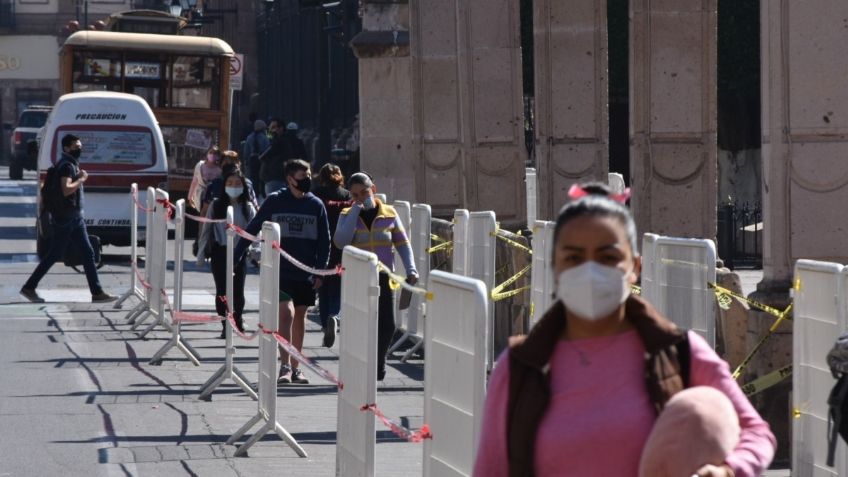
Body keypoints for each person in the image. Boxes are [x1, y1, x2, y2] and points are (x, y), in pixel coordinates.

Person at [472, 184, 776, 477]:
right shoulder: (519, 368)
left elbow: (756, 432)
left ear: (634, 267)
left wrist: (729, 469)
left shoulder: (679, 352)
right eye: (574, 258)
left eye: (607, 257)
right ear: (555, 267)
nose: (590, 271)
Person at [234, 159, 330, 384]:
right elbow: (254, 226)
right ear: (289, 179)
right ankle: (285, 366)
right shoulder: (275, 201)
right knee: (286, 314)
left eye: (308, 176)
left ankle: (297, 368)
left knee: (300, 318)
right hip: (280, 271)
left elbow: (324, 241)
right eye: (302, 176)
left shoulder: (316, 205)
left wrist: (319, 272)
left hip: (305, 272)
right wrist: (237, 254)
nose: (306, 180)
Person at [334, 173, 418, 381]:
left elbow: (402, 243)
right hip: (357, 277)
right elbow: (340, 241)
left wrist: (411, 270)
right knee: (360, 323)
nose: (361, 197)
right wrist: (355, 211)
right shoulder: (346, 214)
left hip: (382, 276)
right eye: (355, 195)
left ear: (373, 188)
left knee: (387, 324)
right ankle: (359, 365)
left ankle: (378, 364)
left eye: (364, 192)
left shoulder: (389, 213)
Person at [20, 134, 116, 303]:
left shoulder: (65, 164)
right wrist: (81, 179)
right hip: (67, 219)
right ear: (66, 148)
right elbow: (66, 189)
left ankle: (97, 292)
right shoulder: (66, 166)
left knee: (86, 253)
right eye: (75, 146)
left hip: (71, 218)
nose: (79, 149)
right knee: (59, 255)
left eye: (79, 146)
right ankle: (29, 287)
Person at [197, 169, 256, 338]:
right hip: (219, 252)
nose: (233, 187)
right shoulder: (216, 205)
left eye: (237, 184)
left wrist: (255, 252)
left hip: (240, 253)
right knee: (222, 290)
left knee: (238, 290)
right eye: (230, 183)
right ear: (224, 186)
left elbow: (254, 232)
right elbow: (207, 230)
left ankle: (237, 320)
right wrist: (201, 253)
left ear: (244, 187)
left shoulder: (248, 207)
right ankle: (225, 324)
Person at [311, 163, 354, 348]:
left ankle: (324, 324)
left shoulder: (316, 194)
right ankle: (334, 316)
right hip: (341, 245)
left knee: (323, 286)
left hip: (320, 243)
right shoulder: (346, 195)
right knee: (337, 285)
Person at [259, 118, 291, 197]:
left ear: (281, 128)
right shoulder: (273, 140)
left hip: (275, 178)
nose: (270, 130)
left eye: (273, 127)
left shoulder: (280, 141)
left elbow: (263, 156)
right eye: (269, 127)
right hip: (272, 178)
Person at [187, 145, 222, 213]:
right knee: (201, 212)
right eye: (211, 152)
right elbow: (194, 181)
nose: (212, 155)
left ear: (218, 156)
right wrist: (190, 196)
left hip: (212, 196)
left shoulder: (219, 169)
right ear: (207, 153)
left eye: (215, 153)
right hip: (201, 195)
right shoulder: (200, 165)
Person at [242, 119, 269, 200]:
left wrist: (246, 159)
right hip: (261, 159)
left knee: (253, 177)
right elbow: (267, 149)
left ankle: (254, 193)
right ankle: (263, 194)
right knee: (262, 177)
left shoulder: (249, 137)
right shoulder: (265, 138)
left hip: (252, 159)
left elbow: (246, 150)